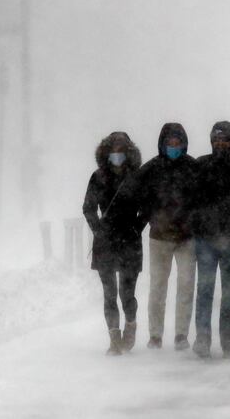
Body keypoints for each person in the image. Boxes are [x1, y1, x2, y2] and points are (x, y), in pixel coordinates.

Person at [135, 123, 198, 351]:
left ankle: (181, 334)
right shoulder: (150, 168)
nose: (174, 146)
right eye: (170, 143)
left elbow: (202, 199)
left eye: (177, 142)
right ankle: (155, 335)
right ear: (162, 143)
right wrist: (148, 216)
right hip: (159, 238)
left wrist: (194, 221)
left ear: (184, 143)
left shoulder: (193, 167)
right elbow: (137, 195)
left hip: (187, 239)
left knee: (186, 285)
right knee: (158, 287)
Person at [192, 121, 230, 358]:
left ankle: (228, 340)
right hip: (206, 240)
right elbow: (192, 201)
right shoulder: (201, 165)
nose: (220, 145)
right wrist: (198, 224)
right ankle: (203, 338)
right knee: (205, 290)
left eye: (225, 141)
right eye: (216, 140)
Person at [82, 132, 144, 356]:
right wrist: (98, 229)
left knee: (127, 293)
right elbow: (88, 207)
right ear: (106, 152)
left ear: (128, 152)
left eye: (121, 150)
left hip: (130, 241)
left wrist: (137, 227)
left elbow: (147, 207)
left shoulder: (137, 177)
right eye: (113, 150)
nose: (117, 154)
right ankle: (114, 338)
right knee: (109, 293)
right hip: (105, 243)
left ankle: (131, 323)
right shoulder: (98, 177)